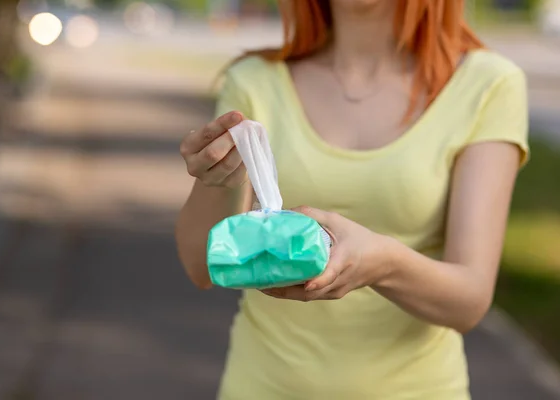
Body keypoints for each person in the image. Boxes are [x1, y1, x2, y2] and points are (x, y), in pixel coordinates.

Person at [175, 0, 529, 399]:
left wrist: (381, 263)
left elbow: (469, 300)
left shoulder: (487, 84)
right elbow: (201, 267)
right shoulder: (254, 81)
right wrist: (215, 179)